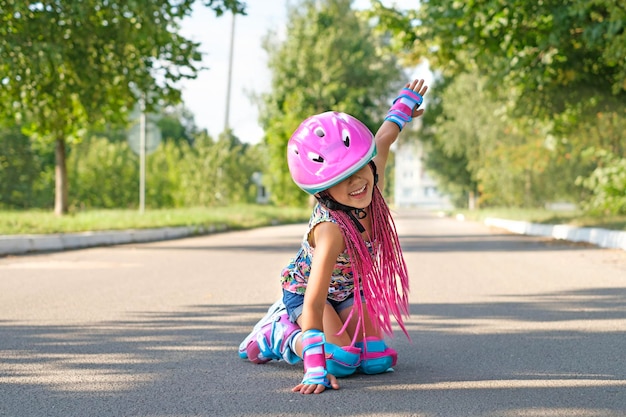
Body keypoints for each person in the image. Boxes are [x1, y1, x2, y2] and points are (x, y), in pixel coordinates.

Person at [239, 79, 429, 394]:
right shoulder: (331, 230)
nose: (356, 183)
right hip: (306, 294)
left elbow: (383, 137)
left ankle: (331, 337)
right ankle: (279, 332)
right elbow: (314, 302)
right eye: (341, 179)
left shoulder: (372, 181)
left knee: (376, 360)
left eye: (359, 169)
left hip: (348, 289)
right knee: (339, 360)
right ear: (324, 191)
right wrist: (314, 370)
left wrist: (403, 109)